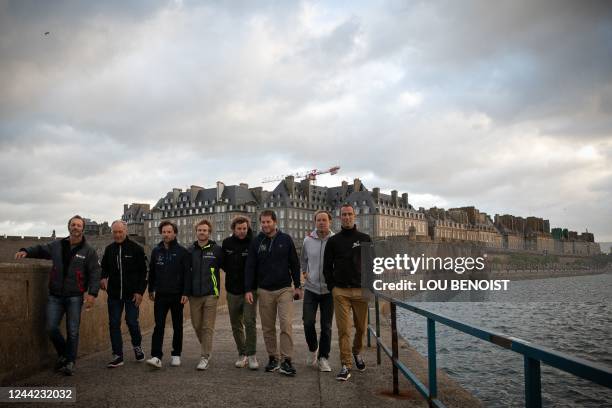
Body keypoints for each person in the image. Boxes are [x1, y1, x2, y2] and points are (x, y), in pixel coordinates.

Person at [14, 215, 101, 376]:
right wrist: (25, 250)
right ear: (69, 227)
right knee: (51, 328)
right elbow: (41, 249)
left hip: (75, 296)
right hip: (55, 296)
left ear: (83, 229)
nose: (76, 227)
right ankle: (64, 354)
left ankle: (70, 362)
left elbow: (95, 273)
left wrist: (92, 294)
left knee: (73, 330)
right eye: (73, 225)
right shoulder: (57, 245)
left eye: (78, 225)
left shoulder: (88, 251)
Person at [244, 210, 302, 376]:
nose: (265, 225)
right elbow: (250, 266)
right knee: (268, 327)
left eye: (268, 222)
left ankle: (287, 360)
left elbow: (294, 264)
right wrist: (248, 289)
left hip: (284, 288)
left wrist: (297, 286)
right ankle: (273, 358)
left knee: (285, 324)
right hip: (264, 289)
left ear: (275, 222)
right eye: (262, 222)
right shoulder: (256, 242)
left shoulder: (286, 239)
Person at [323, 203, 372, 381]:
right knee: (344, 330)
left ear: (355, 216)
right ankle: (346, 365)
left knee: (361, 328)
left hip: (360, 290)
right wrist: (332, 287)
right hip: (341, 291)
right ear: (339, 218)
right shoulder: (333, 241)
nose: (347, 217)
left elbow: (371, 264)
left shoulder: (365, 238)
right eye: (343, 215)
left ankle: (357, 352)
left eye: (349, 214)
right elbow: (327, 266)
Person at [100, 220, 147, 368]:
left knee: (132, 322)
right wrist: (103, 278)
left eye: (120, 232)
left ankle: (137, 346)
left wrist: (140, 292)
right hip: (114, 294)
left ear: (125, 231)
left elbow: (144, 272)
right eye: (115, 232)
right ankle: (118, 355)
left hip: (132, 294)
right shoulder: (109, 250)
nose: (118, 235)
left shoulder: (136, 249)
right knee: (114, 324)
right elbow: (104, 269)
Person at [145, 221, 189, 369]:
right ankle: (156, 356)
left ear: (174, 233)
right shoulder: (156, 251)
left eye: (169, 232)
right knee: (159, 326)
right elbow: (152, 272)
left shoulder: (182, 252)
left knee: (178, 326)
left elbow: (186, 274)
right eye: (164, 232)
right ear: (161, 233)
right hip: (161, 295)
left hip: (177, 295)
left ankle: (176, 354)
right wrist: (150, 289)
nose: (166, 234)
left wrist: (185, 292)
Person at [221, 216, 259, 370]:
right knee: (235, 323)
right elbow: (223, 263)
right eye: (239, 229)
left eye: (244, 228)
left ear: (248, 227)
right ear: (233, 229)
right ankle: (242, 354)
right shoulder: (227, 243)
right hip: (232, 289)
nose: (242, 231)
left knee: (249, 322)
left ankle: (251, 355)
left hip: (250, 290)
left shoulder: (254, 242)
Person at [185, 219, 223, 370]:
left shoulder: (216, 250)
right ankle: (207, 348)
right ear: (196, 232)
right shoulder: (190, 251)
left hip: (211, 294)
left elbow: (228, 267)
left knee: (207, 326)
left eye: (205, 230)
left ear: (209, 232)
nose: (202, 232)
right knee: (196, 325)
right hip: (194, 295)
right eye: (200, 230)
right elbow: (186, 273)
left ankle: (204, 356)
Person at [301, 210, 334, 372]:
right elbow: (303, 260)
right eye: (319, 220)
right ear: (315, 222)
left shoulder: (335, 240)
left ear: (330, 222)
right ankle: (313, 348)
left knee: (326, 326)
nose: (321, 222)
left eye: (324, 220)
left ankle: (323, 358)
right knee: (307, 322)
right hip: (311, 288)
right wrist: (305, 274)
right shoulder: (308, 240)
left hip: (329, 291)